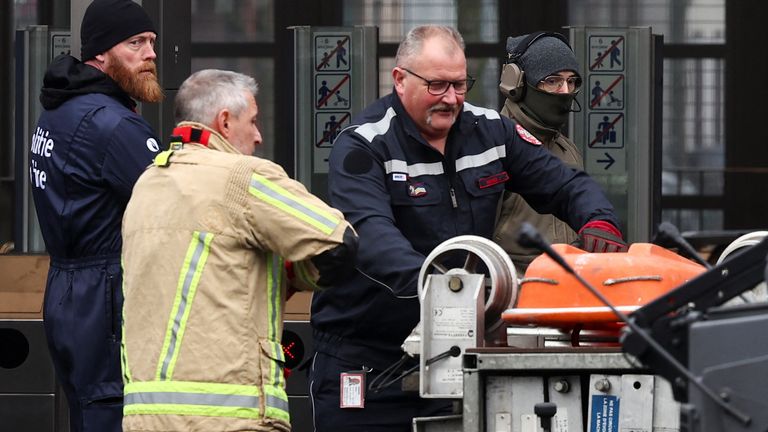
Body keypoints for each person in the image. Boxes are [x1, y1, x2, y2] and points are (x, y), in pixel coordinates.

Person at [309, 25, 626, 431]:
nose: (451, 99)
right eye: (437, 85)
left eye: (460, 85)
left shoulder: (491, 131)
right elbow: (372, 238)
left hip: (461, 355)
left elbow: (566, 184)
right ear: (400, 79)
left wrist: (599, 220)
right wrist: (454, 292)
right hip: (367, 358)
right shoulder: (364, 146)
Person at [120, 69, 358, 432]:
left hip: (144, 416)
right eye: (254, 121)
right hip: (229, 414)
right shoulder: (241, 176)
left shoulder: (147, 184)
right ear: (225, 122)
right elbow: (339, 241)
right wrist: (298, 272)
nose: (259, 136)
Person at [28, 0, 162, 430]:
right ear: (101, 54)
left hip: (68, 295)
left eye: (152, 43)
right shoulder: (114, 126)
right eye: (136, 43)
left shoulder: (56, 112)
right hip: (106, 297)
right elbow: (174, 206)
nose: (151, 55)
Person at [493, 32, 626, 275]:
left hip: (568, 286)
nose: (565, 91)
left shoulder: (567, 150)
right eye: (553, 81)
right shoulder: (493, 147)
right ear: (517, 84)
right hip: (511, 291)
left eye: (572, 81)